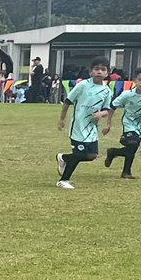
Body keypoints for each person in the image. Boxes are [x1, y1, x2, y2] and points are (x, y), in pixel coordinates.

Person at [55, 57, 113, 190]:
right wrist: (62, 119)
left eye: (103, 69)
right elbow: (68, 101)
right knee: (79, 154)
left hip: (92, 128)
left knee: (92, 155)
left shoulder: (107, 91)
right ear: (91, 72)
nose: (99, 72)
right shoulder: (83, 85)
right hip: (78, 126)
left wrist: (102, 115)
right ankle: (63, 180)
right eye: (96, 69)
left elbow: (107, 109)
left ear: (107, 73)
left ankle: (63, 158)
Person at [104, 66, 141, 180]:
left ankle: (119, 161)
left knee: (132, 149)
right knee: (132, 143)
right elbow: (112, 107)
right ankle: (121, 147)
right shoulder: (127, 94)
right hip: (129, 123)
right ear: (135, 80)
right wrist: (108, 123)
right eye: (140, 79)